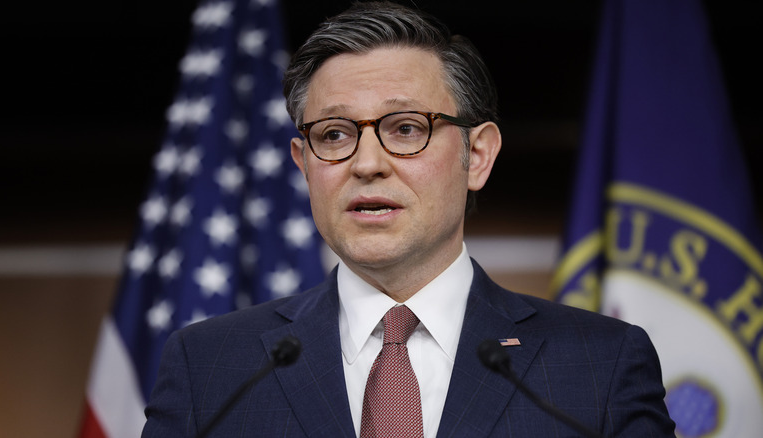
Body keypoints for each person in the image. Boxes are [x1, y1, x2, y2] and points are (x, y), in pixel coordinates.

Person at [142, 2, 676, 437]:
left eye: (404, 129)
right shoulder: (210, 367)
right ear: (303, 166)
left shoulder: (598, 365)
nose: (367, 164)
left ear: (479, 155)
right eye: (333, 134)